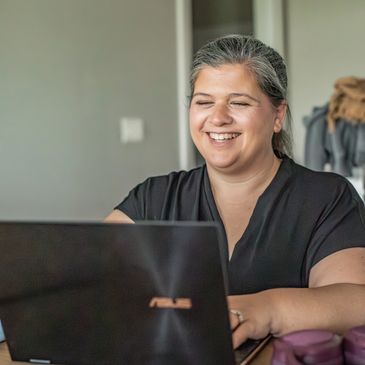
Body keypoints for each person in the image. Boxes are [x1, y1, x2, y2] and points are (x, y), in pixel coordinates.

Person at [105, 35, 365, 349]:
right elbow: (84, 276)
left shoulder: (327, 197)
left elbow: (355, 301)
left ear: (277, 115)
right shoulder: (154, 197)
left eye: (238, 102)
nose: (217, 118)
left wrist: (265, 310)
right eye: (203, 102)